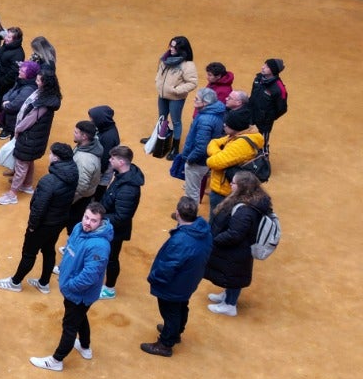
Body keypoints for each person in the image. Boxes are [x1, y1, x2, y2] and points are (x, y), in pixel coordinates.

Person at [30, 203, 112, 371]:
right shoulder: (78, 228)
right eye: (86, 217)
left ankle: (56, 360)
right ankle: (85, 346)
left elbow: (89, 276)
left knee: (69, 326)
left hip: (79, 293)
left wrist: (69, 286)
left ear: (101, 222)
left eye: (94, 221)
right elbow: (70, 249)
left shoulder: (99, 246)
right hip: (73, 290)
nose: (87, 223)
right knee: (80, 316)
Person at [0, 143, 77, 294]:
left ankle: (15, 282)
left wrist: (32, 225)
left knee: (29, 253)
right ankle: (44, 283)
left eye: (51, 154)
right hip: (59, 221)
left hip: (43, 224)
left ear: (56, 158)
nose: (49, 156)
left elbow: (39, 207)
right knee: (48, 250)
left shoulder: (49, 181)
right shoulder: (73, 173)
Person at [141, 197, 213, 357]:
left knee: (170, 311)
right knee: (181, 307)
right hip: (190, 279)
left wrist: (154, 278)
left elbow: (168, 266)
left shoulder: (181, 240)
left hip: (175, 284)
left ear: (178, 213)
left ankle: (166, 343)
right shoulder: (203, 230)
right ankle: (175, 332)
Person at [206, 171, 272, 317]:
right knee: (232, 274)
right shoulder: (249, 201)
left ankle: (230, 305)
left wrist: (216, 240)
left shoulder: (245, 210)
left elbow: (235, 234)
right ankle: (227, 296)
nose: (230, 184)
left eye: (234, 183)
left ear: (242, 187)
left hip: (238, 249)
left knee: (234, 275)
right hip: (238, 249)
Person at [0, 66, 61, 205]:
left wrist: (18, 129)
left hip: (29, 137)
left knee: (21, 163)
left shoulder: (43, 103)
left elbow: (29, 119)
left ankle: (12, 194)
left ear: (46, 83)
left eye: (39, 80)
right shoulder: (47, 97)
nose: (36, 82)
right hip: (35, 137)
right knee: (28, 160)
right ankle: (26, 185)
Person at [98, 145, 144, 298]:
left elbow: (121, 217)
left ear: (122, 162)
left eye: (113, 158)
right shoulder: (122, 176)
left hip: (115, 230)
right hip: (109, 225)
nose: (109, 160)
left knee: (112, 259)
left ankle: (109, 288)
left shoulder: (128, 188)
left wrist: (99, 217)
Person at [205, 109, 267, 215]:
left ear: (235, 126)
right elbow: (214, 142)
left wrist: (218, 154)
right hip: (227, 189)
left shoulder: (241, 144)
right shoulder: (238, 135)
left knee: (217, 225)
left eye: (227, 124)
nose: (223, 125)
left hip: (226, 193)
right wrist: (221, 153)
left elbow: (213, 162)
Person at [178, 89, 226, 209]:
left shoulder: (205, 119)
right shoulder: (215, 113)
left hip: (198, 161)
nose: (194, 100)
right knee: (195, 187)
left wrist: (190, 159)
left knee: (191, 191)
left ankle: (189, 215)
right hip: (205, 159)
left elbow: (201, 147)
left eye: (197, 99)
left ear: (205, 103)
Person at [153, 35, 199, 145]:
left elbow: (193, 83)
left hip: (176, 98)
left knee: (176, 121)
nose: (171, 49)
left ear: (182, 50)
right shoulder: (165, 59)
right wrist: (158, 83)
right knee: (161, 118)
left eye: (174, 47)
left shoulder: (188, 65)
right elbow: (159, 73)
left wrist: (176, 90)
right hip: (162, 95)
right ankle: (157, 139)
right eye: (171, 46)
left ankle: (175, 146)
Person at [66, 120, 104, 227]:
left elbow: (81, 186)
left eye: (76, 132)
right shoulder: (91, 145)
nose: (74, 134)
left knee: (73, 224)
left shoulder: (84, 160)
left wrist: (69, 200)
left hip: (79, 199)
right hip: (86, 195)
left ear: (84, 137)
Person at [0, 27, 25, 133]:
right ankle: (1, 122)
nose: (5, 38)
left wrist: (2, 81)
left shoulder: (18, 53)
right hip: (0, 81)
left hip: (7, 84)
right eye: (6, 35)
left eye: (9, 37)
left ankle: (7, 128)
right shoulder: (6, 46)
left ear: (15, 39)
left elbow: (13, 72)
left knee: (7, 105)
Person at [249, 59, 289, 145]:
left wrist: (267, 117)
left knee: (261, 143)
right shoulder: (258, 79)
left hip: (264, 123)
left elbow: (282, 109)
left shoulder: (279, 89)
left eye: (267, 66)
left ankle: (264, 157)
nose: (263, 67)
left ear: (273, 70)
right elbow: (252, 96)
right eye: (264, 65)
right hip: (251, 116)